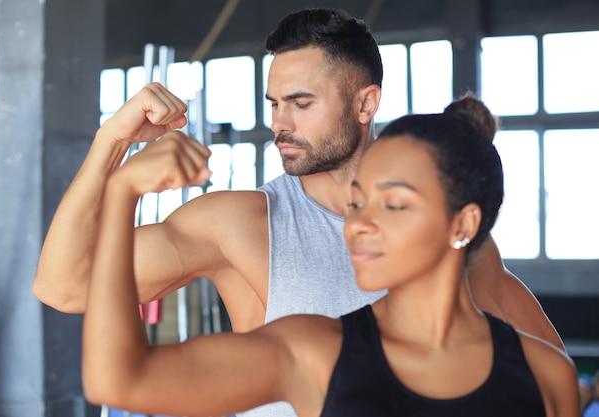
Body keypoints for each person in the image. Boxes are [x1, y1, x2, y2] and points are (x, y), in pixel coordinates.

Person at [34, 8, 565, 416]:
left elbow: (547, 375)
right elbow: (64, 285)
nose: (280, 123)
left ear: (365, 104)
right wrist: (113, 142)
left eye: (301, 103)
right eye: (273, 103)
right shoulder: (239, 224)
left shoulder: (450, 241)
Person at [81, 95, 580, 417]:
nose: (359, 223)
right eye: (358, 201)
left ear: (463, 225)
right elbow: (119, 379)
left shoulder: (545, 375)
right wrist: (123, 188)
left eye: (395, 203)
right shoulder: (313, 350)